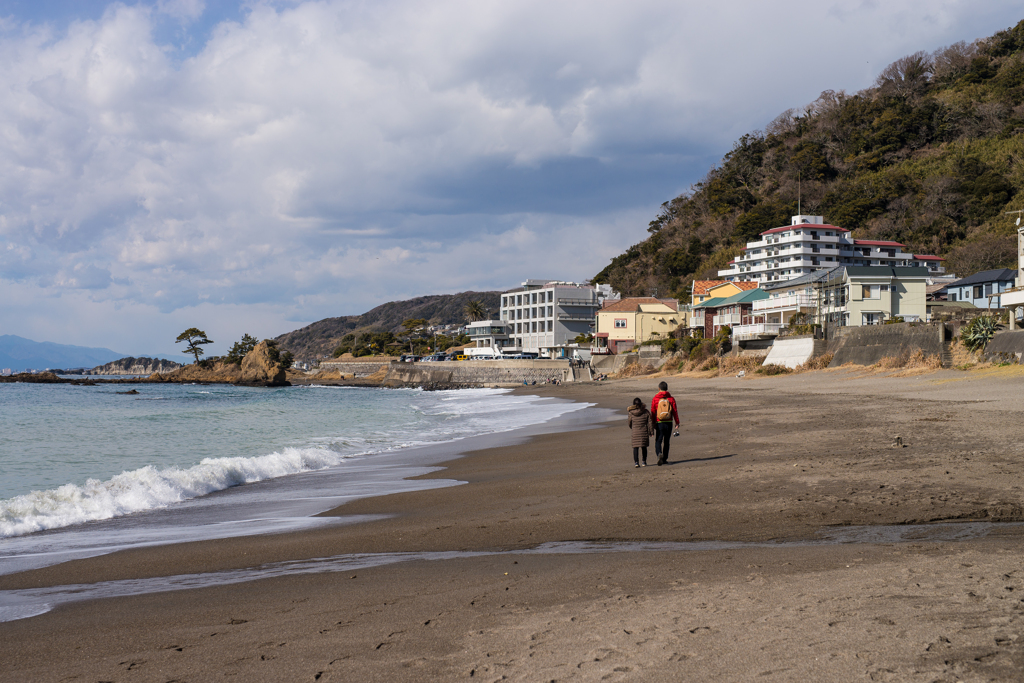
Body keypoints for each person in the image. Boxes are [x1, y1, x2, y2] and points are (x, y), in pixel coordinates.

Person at [650, 381, 679, 465]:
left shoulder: (655, 398)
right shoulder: (671, 398)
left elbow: (653, 411)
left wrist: (653, 423)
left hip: (659, 422)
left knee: (658, 440)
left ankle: (659, 454)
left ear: (659, 389)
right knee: (666, 441)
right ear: (667, 389)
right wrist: (677, 422)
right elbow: (674, 411)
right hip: (669, 422)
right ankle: (665, 458)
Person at [627, 397, 654, 467]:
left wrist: (632, 427)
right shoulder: (645, 411)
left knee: (635, 447)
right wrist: (651, 432)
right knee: (644, 447)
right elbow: (650, 422)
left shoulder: (631, 412)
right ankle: (644, 462)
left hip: (635, 431)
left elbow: (629, 423)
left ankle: (636, 462)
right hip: (644, 431)